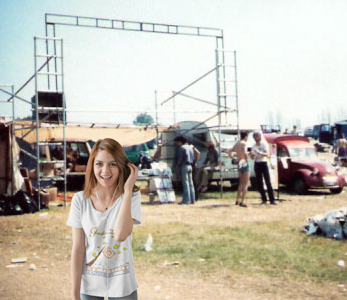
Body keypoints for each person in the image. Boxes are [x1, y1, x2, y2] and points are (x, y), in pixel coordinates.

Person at [66, 138, 141, 300]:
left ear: (122, 166)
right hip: (89, 286)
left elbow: (121, 234)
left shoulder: (132, 196)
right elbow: (78, 249)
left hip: (123, 285)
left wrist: (127, 191)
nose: (105, 171)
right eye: (99, 164)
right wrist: (74, 294)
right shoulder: (79, 200)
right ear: (92, 166)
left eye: (112, 164)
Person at [250, 131, 276, 205]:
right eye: (256, 136)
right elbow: (252, 157)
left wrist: (258, 152)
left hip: (263, 163)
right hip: (257, 163)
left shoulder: (264, 144)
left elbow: (267, 154)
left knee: (267, 181)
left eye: (258, 136)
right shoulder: (253, 146)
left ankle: (272, 199)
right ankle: (264, 199)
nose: (257, 138)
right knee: (259, 182)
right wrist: (251, 155)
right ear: (254, 138)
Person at [227, 132, 250, 207]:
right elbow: (245, 153)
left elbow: (229, 151)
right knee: (246, 183)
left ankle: (237, 199)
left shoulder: (237, 144)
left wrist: (233, 159)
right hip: (244, 162)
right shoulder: (244, 143)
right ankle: (242, 201)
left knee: (240, 182)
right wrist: (247, 159)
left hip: (239, 162)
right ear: (245, 136)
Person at [174, 135, 196, 205]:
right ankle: (192, 199)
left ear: (180, 142)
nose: (176, 144)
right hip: (190, 165)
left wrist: (177, 167)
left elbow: (180, 159)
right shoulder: (190, 147)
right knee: (191, 183)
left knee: (185, 183)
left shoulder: (182, 148)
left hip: (184, 166)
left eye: (177, 142)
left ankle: (186, 200)